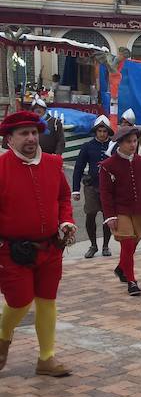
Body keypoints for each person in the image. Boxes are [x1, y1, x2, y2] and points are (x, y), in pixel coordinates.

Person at [0, 111, 77, 377]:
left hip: (51, 248)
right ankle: (3, 335)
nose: (31, 138)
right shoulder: (1, 168)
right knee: (20, 301)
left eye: (34, 132)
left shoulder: (54, 163)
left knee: (47, 300)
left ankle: (46, 358)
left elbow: (64, 197)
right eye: (24, 134)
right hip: (11, 251)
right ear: (9, 139)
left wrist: (66, 221)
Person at [99, 126, 141, 296]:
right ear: (119, 143)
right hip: (120, 210)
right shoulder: (108, 165)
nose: (132, 145)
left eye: (134, 141)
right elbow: (105, 193)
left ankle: (120, 268)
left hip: (139, 209)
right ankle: (131, 281)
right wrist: (109, 215)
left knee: (134, 241)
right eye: (128, 142)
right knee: (127, 243)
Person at [73, 115, 113, 259]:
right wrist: (76, 189)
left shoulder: (114, 146)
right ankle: (93, 245)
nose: (102, 134)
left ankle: (106, 245)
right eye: (100, 131)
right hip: (91, 186)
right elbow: (78, 168)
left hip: (109, 188)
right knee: (90, 214)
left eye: (104, 131)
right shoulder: (87, 146)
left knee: (108, 217)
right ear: (96, 131)